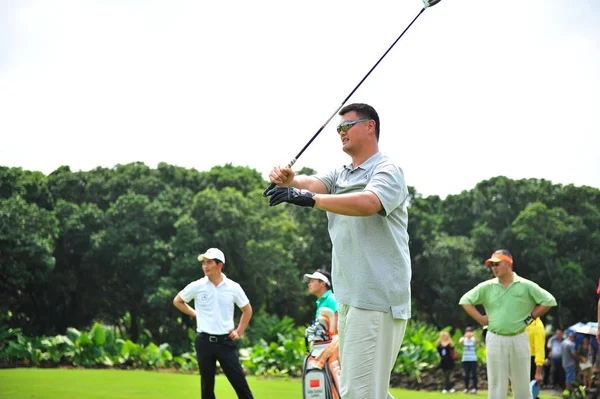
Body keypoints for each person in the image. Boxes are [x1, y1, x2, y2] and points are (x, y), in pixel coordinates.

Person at [267, 103, 411, 399]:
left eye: (347, 126)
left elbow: (369, 203)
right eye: (338, 128)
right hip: (350, 296)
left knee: (358, 392)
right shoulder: (341, 173)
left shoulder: (388, 169)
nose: (341, 132)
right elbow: (311, 182)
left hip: (376, 296)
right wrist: (290, 179)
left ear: (370, 126)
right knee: (368, 392)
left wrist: (309, 198)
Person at [458, 249, 557, 399]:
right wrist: (480, 319)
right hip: (495, 337)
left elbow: (549, 300)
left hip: (519, 337)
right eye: (492, 265)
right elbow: (465, 300)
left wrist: (530, 318)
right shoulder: (487, 286)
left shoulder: (525, 285)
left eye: (497, 264)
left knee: (522, 383)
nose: (494, 268)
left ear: (508, 263)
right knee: (496, 383)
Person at [172, 248, 254, 399]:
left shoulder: (233, 287)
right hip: (204, 342)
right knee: (207, 387)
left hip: (226, 343)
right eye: (204, 263)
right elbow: (178, 301)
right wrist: (195, 313)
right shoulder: (197, 286)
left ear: (220, 265)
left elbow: (247, 310)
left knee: (240, 384)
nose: (205, 266)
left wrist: (239, 331)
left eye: (209, 262)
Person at [304, 268, 338, 332]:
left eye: (312, 281)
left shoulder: (331, 298)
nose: (309, 284)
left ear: (322, 284)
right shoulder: (320, 302)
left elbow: (338, 322)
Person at [459, 326, 478, 394]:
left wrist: (473, 336)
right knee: (466, 374)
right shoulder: (463, 339)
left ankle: (474, 388)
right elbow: (460, 342)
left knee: (474, 374)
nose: (468, 333)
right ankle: (466, 388)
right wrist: (465, 337)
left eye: (470, 332)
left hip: (473, 359)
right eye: (467, 331)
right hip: (465, 359)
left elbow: (477, 341)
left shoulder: (473, 339)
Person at [526, 317, 546, 385]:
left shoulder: (538, 326)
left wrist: (538, 372)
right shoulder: (525, 323)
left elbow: (540, 349)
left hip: (532, 360)